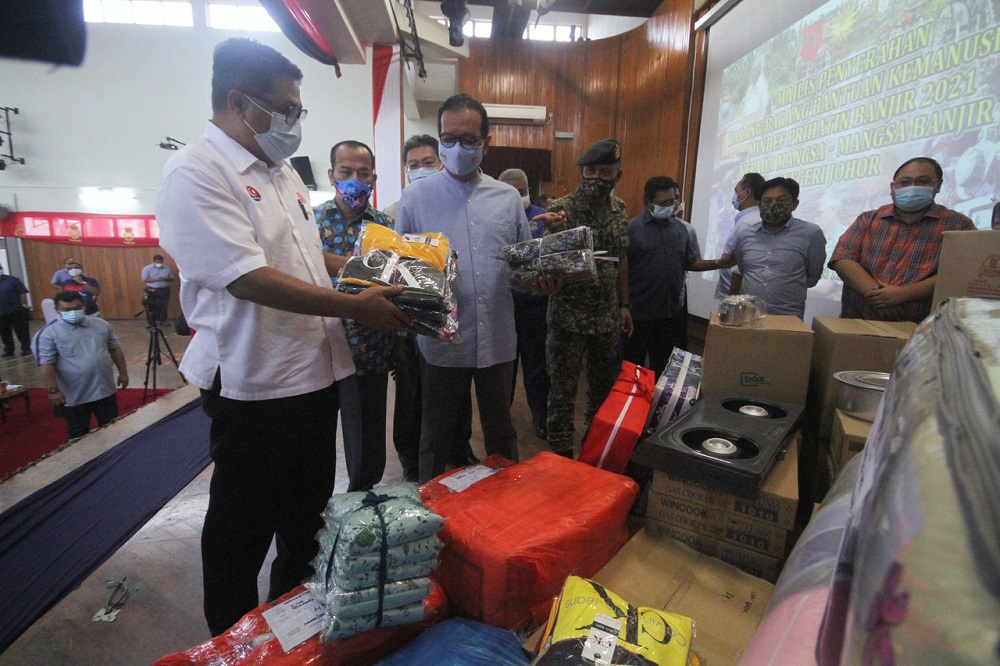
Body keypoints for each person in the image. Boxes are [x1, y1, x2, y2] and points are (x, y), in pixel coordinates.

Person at [154, 37, 408, 636]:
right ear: (239, 102)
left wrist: (367, 269)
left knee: (306, 518)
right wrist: (356, 306)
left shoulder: (282, 173)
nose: (294, 121)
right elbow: (245, 277)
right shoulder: (197, 171)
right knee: (241, 526)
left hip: (313, 373)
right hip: (255, 381)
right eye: (285, 109)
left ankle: (291, 625)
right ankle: (234, 638)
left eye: (299, 110)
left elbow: (306, 257)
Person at [396, 93, 543, 483]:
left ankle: (504, 506)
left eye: (469, 140)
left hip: (496, 336)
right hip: (441, 339)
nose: (457, 148)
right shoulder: (415, 198)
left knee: (501, 433)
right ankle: (429, 507)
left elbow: (524, 266)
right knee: (435, 435)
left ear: (486, 143)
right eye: (448, 139)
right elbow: (401, 269)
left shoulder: (507, 199)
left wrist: (545, 280)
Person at [384, 134, 476, 480]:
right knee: (412, 393)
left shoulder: (457, 205)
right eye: (413, 165)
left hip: (452, 318)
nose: (420, 170)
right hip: (411, 319)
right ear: (406, 171)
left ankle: (459, 447)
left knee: (457, 392)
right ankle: (411, 459)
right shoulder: (395, 211)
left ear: (440, 163)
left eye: (427, 162)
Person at [535, 138, 632, 458]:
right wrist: (554, 231)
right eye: (590, 171)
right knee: (562, 392)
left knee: (602, 393)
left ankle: (594, 455)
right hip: (568, 318)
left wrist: (624, 305)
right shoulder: (561, 209)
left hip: (606, 318)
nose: (596, 178)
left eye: (605, 172)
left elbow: (620, 259)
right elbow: (548, 258)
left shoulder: (620, 209)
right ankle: (560, 459)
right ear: (581, 172)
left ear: (618, 175)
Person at [314, 139, 397, 492]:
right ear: (331, 175)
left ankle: (361, 501)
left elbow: (398, 286)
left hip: (369, 349)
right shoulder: (309, 223)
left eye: (363, 173)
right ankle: (315, 507)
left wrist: (400, 343)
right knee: (313, 439)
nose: (354, 180)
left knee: (367, 441)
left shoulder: (387, 227)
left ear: (373, 178)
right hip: (317, 351)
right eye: (345, 171)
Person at [830, 157, 977, 323]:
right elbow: (842, 259)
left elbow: (964, 273)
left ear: (938, 185)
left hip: (921, 329)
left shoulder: (958, 225)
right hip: (856, 322)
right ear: (893, 188)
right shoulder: (868, 219)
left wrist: (902, 295)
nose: (912, 187)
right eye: (905, 182)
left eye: (922, 181)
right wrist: (878, 295)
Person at [625, 176, 736, 379]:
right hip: (639, 314)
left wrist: (718, 263)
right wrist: (622, 306)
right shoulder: (631, 230)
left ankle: (660, 400)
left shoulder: (680, 229)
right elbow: (621, 271)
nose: (670, 207)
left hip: (671, 313)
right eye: (664, 203)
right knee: (634, 370)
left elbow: (691, 262)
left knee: (666, 370)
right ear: (647, 202)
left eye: (672, 202)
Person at [33, 291, 129, 439]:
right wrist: (53, 391)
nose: (73, 312)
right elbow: (46, 364)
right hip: (74, 396)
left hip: (104, 389)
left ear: (83, 306)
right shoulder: (47, 334)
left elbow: (115, 349)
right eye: (67, 309)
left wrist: (123, 373)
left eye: (77, 308)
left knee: (113, 428)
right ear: (57, 310)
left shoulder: (101, 325)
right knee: (78, 433)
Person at [498, 167, 550, 439]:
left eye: (522, 191)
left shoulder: (543, 217)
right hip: (503, 309)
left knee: (537, 368)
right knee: (503, 371)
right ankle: (501, 421)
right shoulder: (494, 217)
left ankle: (541, 417)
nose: (518, 197)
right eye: (511, 192)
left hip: (535, 308)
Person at [729, 177, 827, 319]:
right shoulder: (745, 234)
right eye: (767, 201)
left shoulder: (811, 234)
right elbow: (744, 269)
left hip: (788, 318)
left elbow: (812, 277)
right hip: (748, 316)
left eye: (781, 200)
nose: (774, 205)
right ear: (760, 204)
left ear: (794, 204)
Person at [715, 172, 765, 298]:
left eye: (736, 191)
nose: (734, 196)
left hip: (736, 299)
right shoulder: (747, 219)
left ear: (747, 193)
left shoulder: (748, 223)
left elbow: (740, 264)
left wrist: (732, 299)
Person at [0, 262, 32, 357]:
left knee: (22, 331)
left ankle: (26, 348)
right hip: (1, 312)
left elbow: (22, 293)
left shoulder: (13, 280)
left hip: (16, 309)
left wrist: (22, 305)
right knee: (4, 332)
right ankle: (9, 349)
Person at [141, 254, 175, 323]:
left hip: (164, 289)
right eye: (157, 262)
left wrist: (165, 278)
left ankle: (163, 321)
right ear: (153, 261)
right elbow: (145, 279)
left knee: (164, 305)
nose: (159, 264)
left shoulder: (167, 268)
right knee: (152, 305)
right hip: (152, 289)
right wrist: (157, 279)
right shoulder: (147, 268)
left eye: (161, 262)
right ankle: (152, 322)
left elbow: (172, 279)